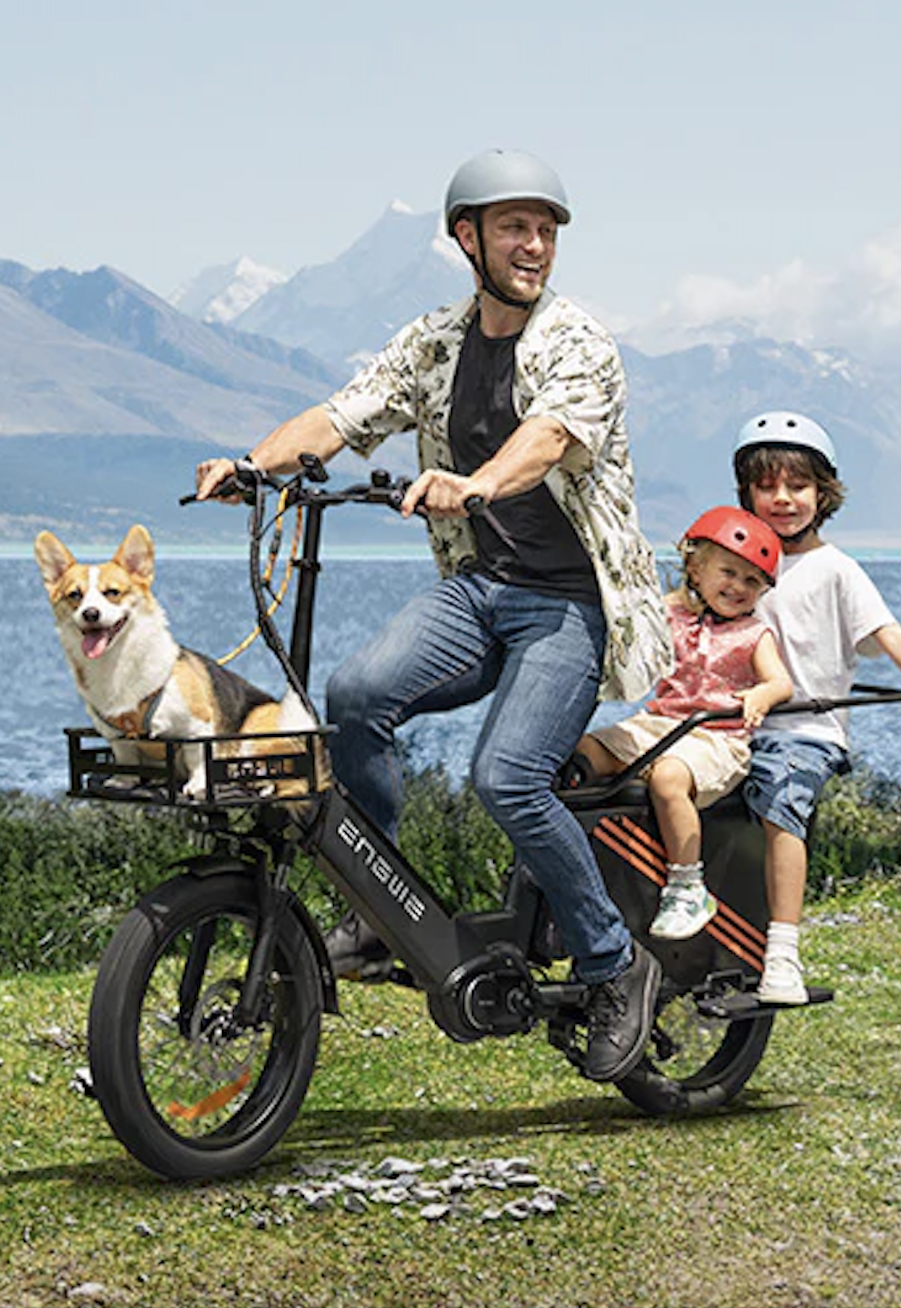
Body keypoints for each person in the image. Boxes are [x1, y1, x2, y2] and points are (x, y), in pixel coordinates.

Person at [195, 148, 673, 1083]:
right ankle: (376, 918)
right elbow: (342, 416)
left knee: (508, 777)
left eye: (545, 230)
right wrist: (251, 464)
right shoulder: (434, 343)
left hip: (569, 605)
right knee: (355, 691)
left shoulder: (580, 343)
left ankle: (618, 964)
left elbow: (547, 441)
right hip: (482, 590)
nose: (534, 245)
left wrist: (476, 483)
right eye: (513, 228)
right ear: (468, 238)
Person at [731, 411, 901, 1004]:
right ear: (747, 493)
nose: (782, 498)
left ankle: (782, 952)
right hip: (735, 724)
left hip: (806, 729)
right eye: (766, 486)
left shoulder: (836, 569)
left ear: (823, 493)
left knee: (782, 795)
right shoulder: (734, 561)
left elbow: (889, 634)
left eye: (798, 485)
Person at [573, 506, 793, 939]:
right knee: (582, 754)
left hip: (716, 739)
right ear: (695, 567)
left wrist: (761, 694)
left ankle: (688, 885)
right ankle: (579, 868)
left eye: (752, 581)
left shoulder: (753, 634)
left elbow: (781, 682)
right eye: (728, 572)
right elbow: (630, 620)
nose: (738, 587)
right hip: (661, 724)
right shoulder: (669, 613)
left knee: (669, 779)